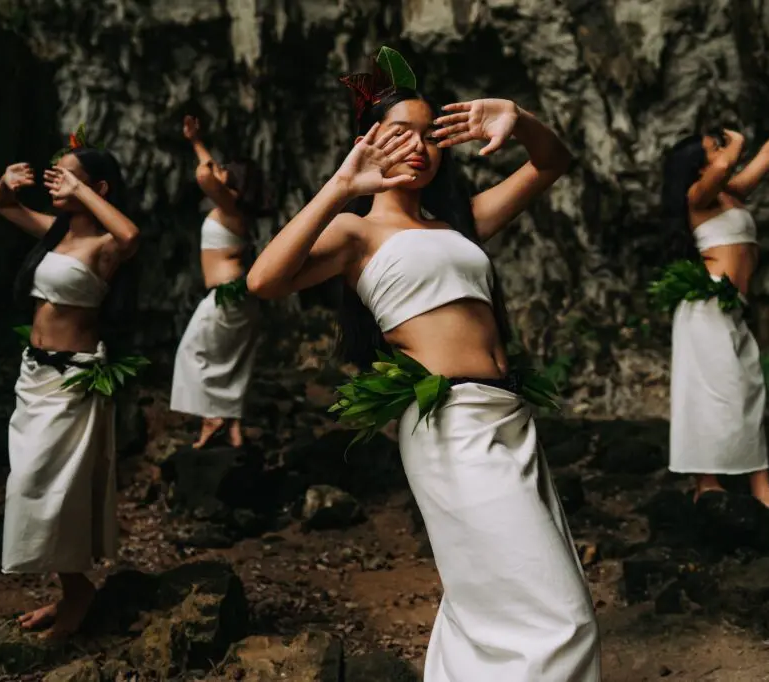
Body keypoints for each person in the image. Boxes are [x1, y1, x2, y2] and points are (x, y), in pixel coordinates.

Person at [246, 51, 600, 682]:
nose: (419, 145)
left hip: (506, 416)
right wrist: (340, 187)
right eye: (399, 132)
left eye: (430, 133)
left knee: (488, 599)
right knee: (558, 614)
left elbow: (555, 162)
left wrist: (516, 119)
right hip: (449, 423)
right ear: (367, 143)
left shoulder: (461, 224)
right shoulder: (356, 234)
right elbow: (264, 281)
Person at [0, 138, 140, 638]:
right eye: (56, 175)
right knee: (29, 482)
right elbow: (3, 205)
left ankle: (77, 593)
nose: (57, 181)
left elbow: (130, 232)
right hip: (35, 374)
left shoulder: (104, 245)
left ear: (97, 187)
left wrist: (84, 189)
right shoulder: (53, 233)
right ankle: (72, 588)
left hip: (74, 380)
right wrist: (7, 182)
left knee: (54, 486)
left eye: (68, 176)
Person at [661, 67, 769, 510]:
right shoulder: (699, 195)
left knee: (748, 388)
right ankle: (707, 483)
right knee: (716, 389)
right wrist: (731, 147)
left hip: (732, 306)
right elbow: (728, 163)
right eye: (712, 147)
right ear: (700, 162)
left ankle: (760, 490)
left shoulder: (731, 192)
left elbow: (766, 157)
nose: (721, 149)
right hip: (706, 304)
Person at [171, 115, 262, 449]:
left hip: (228, 296)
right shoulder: (237, 212)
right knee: (233, 360)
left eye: (226, 169)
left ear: (234, 183)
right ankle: (233, 426)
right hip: (240, 298)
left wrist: (196, 144)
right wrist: (197, 141)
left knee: (192, 351)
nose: (217, 169)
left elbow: (203, 174)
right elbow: (209, 173)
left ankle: (213, 418)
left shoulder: (229, 206)